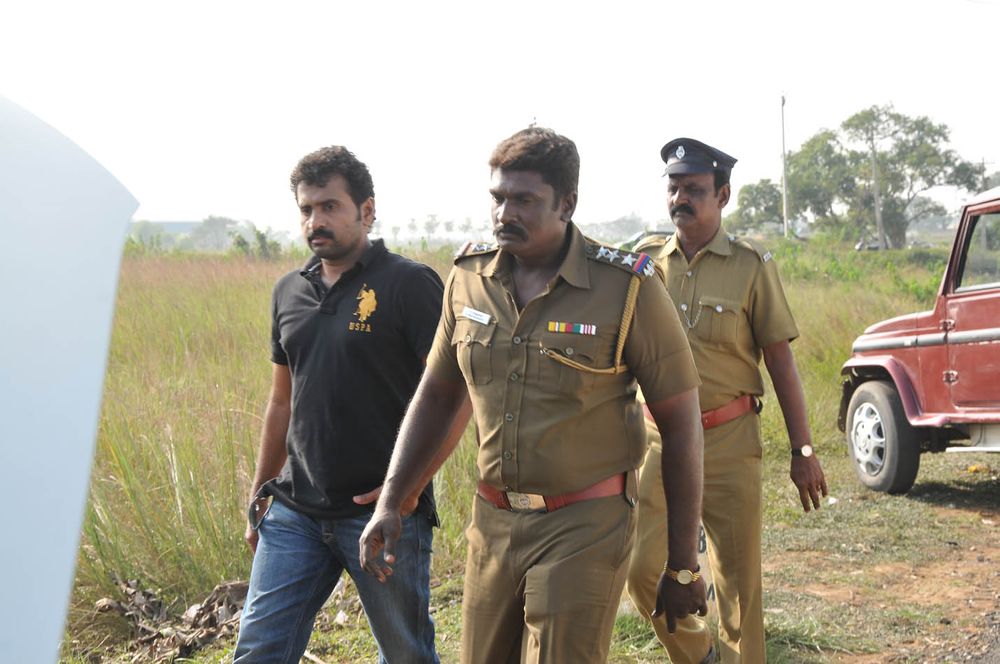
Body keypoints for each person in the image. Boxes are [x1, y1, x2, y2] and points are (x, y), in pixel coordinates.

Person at [359, 127, 708, 664]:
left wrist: (682, 564)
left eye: (524, 200)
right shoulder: (468, 279)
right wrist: (391, 499)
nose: (504, 214)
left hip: (585, 524)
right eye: (497, 198)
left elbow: (682, 425)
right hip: (492, 522)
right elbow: (436, 395)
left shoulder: (626, 289)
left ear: (567, 203)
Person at [235, 146, 466, 663]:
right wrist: (259, 494)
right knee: (258, 650)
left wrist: (405, 494)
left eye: (329, 206)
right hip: (295, 510)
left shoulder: (409, 284)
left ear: (366, 210)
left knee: (405, 655)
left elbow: (457, 396)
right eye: (306, 209)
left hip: (380, 513)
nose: (315, 221)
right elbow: (281, 402)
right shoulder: (288, 291)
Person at [625, 138, 829, 664]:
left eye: (693, 190)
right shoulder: (645, 263)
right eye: (673, 188)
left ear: (723, 195)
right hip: (658, 442)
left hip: (729, 439)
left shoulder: (750, 266)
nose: (680, 199)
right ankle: (701, 655)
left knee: (739, 585)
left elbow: (780, 360)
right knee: (641, 569)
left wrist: (803, 450)